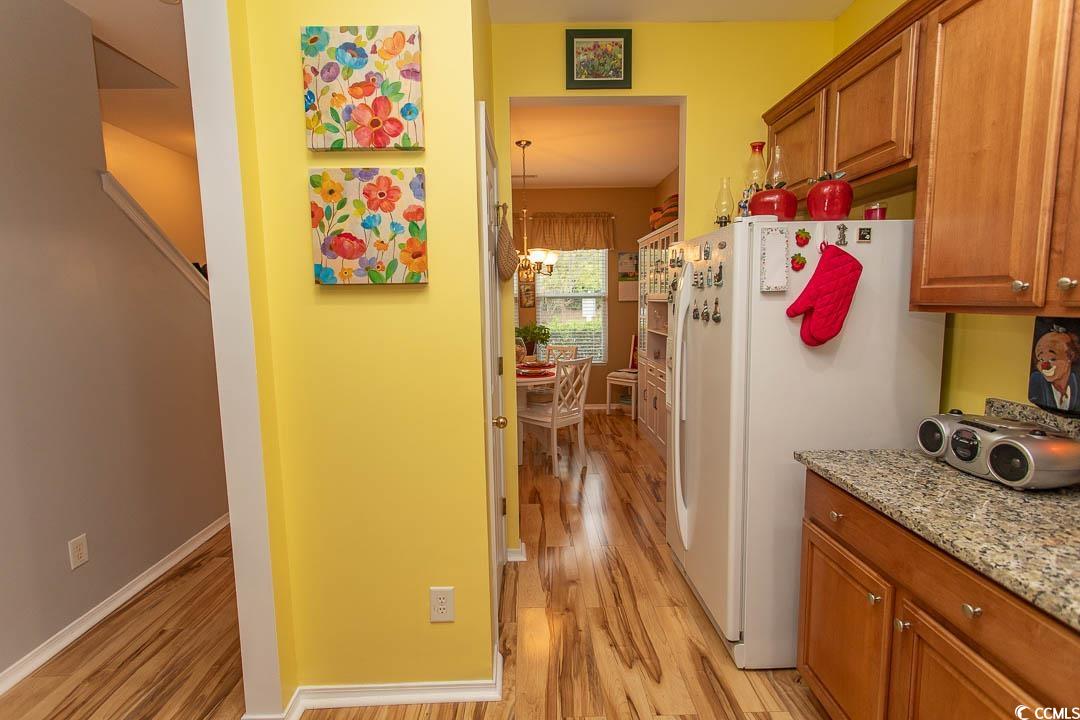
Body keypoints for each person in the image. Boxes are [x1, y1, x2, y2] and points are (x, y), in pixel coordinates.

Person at [1029, 326, 1080, 413]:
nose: (1045, 365)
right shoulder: (1036, 381)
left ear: (1070, 356)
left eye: (1052, 359)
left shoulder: (1077, 381)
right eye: (1041, 359)